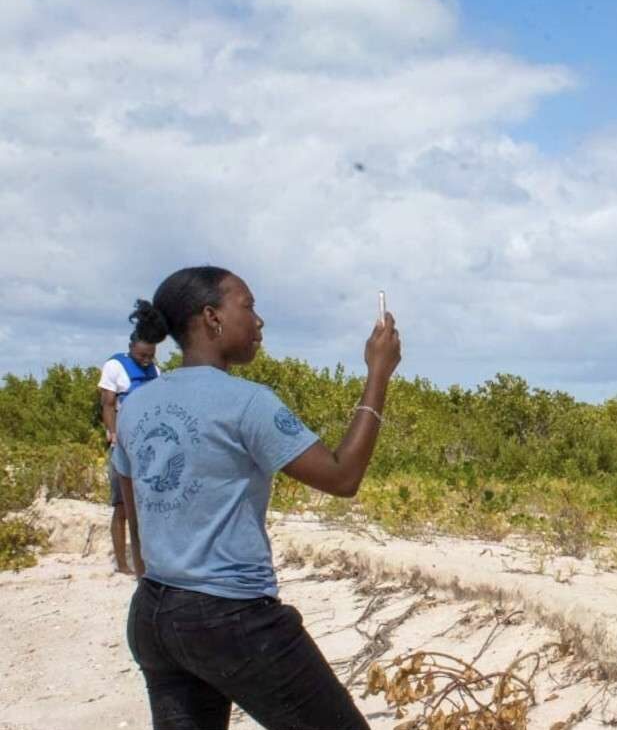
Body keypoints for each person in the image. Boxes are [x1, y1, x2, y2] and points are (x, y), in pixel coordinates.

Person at [113, 265, 401, 730]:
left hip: (152, 616)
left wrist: (169, 596)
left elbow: (138, 523)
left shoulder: (135, 406)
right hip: (231, 617)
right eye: (247, 306)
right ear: (212, 317)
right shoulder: (247, 402)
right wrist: (378, 374)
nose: (259, 321)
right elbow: (343, 477)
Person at [98, 333, 160, 574]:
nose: (146, 360)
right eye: (142, 355)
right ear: (131, 348)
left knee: (148, 505)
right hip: (122, 445)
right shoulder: (115, 366)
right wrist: (112, 432)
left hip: (148, 447)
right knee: (122, 505)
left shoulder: (156, 371)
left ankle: (149, 560)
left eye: (151, 356)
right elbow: (107, 403)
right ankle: (123, 564)